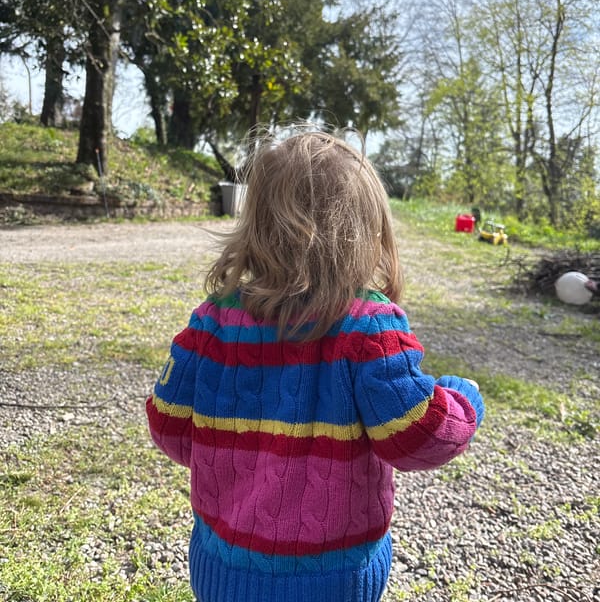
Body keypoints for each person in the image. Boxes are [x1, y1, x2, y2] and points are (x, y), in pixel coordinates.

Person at [146, 129, 485, 602]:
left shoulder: (212, 322)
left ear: (257, 225)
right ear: (368, 233)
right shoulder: (369, 329)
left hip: (223, 568)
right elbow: (416, 438)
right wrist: (464, 398)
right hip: (333, 578)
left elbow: (170, 428)